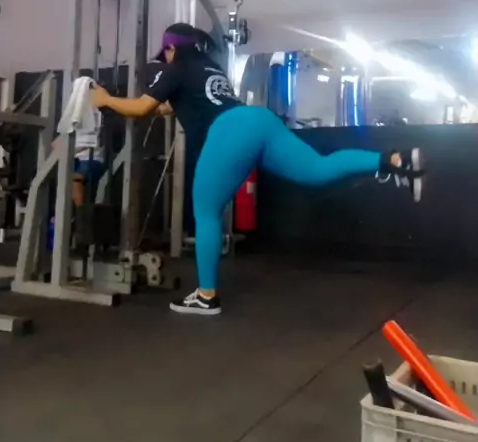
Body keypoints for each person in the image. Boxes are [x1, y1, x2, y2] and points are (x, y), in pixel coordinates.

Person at [92, 22, 425, 317]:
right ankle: (393, 161)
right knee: (317, 169)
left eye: (165, 52)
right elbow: (169, 107)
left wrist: (106, 100)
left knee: (206, 211)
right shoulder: (210, 69)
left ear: (171, 49)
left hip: (229, 131)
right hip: (258, 120)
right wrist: (155, 106)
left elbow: (141, 107)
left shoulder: (174, 68)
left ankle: (206, 296)